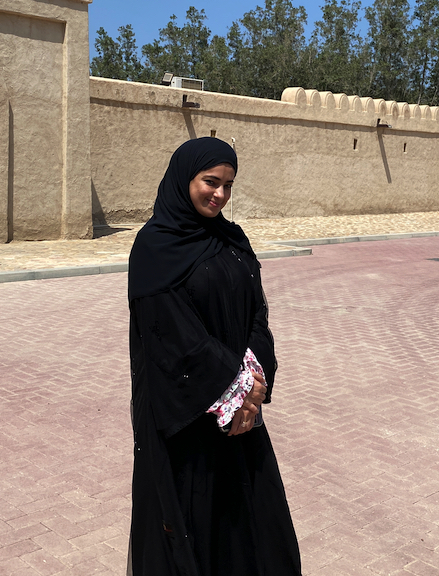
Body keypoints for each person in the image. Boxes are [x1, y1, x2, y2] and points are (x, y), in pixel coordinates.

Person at [127, 137, 302, 576]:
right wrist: (237, 392)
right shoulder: (155, 247)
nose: (219, 195)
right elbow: (172, 335)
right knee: (191, 524)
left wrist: (255, 383)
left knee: (251, 529)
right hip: (188, 418)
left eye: (228, 185)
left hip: (240, 415)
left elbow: (257, 313)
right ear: (185, 178)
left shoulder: (232, 237)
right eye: (210, 182)